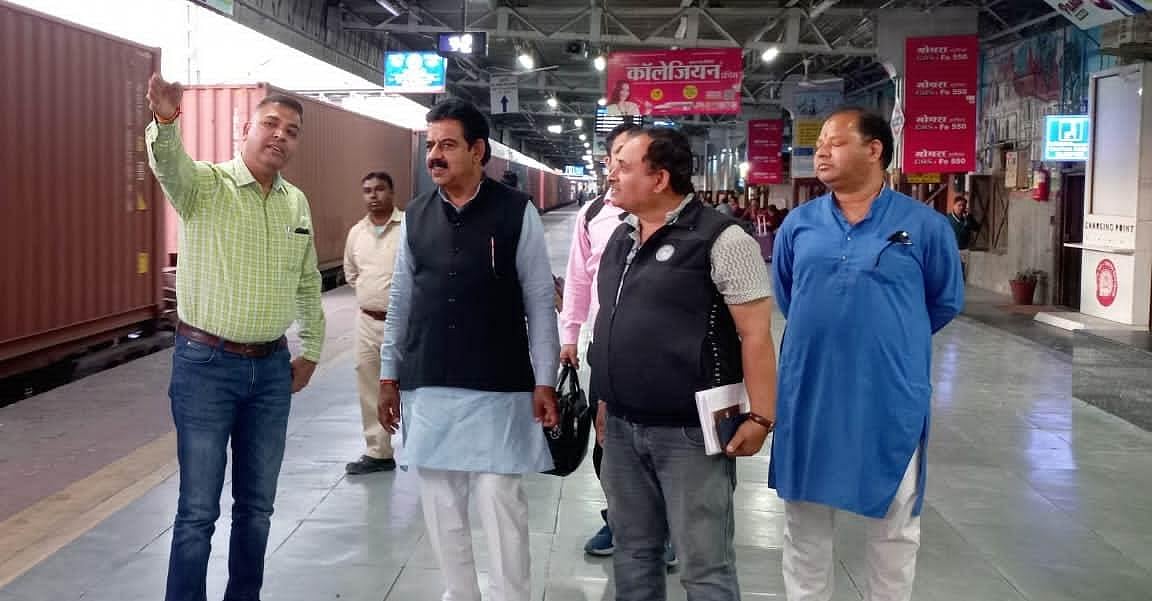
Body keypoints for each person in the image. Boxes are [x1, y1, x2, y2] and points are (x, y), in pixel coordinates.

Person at [770, 107, 964, 601]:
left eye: (835, 142)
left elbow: (944, 301)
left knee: (895, 526)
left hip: (889, 392)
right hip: (810, 390)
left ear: (874, 149)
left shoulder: (924, 226)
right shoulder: (799, 224)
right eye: (819, 145)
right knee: (804, 524)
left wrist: (888, 336)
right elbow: (790, 296)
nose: (821, 153)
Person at [145, 73, 326, 601]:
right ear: (246, 128)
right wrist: (166, 120)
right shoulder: (205, 187)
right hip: (206, 366)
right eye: (271, 124)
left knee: (257, 508)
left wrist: (312, 348)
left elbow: (307, 279)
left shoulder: (296, 203)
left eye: (292, 131)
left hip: (270, 372)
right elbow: (168, 165)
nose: (280, 135)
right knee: (198, 510)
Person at [378, 98, 559, 601]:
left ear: (478, 151)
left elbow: (539, 300)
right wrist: (388, 374)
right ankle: (460, 594)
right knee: (441, 501)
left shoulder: (516, 211)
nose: (434, 156)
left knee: (500, 497)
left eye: (448, 145)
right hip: (429, 376)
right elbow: (401, 299)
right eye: (430, 145)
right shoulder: (415, 216)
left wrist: (545, 379)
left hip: (499, 380)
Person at [592, 127, 779, 601]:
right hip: (622, 428)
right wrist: (604, 400)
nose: (611, 174)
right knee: (633, 553)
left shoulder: (723, 239)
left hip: (691, 433)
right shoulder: (621, 237)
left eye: (623, 167)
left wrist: (761, 417)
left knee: (704, 565)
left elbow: (756, 334)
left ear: (659, 178)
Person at [557, 122, 658, 560]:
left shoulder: (675, 216)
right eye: (612, 158)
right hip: (608, 349)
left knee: (660, 442)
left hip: (663, 355)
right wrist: (569, 336)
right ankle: (620, 518)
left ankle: (661, 525)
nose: (614, 169)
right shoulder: (594, 213)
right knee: (608, 441)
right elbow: (578, 279)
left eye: (625, 160)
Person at [342, 171, 402, 475]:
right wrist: (373, 295)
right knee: (369, 386)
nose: (373, 195)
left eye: (380, 189)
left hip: (404, 324)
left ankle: (422, 447)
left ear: (392, 192)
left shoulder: (408, 228)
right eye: (367, 190)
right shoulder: (357, 233)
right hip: (367, 322)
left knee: (413, 387)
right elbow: (351, 274)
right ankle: (378, 452)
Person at [948, 195, 979, 281]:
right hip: (952, 250)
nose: (961, 208)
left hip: (965, 250)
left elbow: (977, 228)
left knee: (963, 274)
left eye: (964, 206)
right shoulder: (948, 219)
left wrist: (968, 220)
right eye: (959, 205)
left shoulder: (968, 217)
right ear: (954, 206)